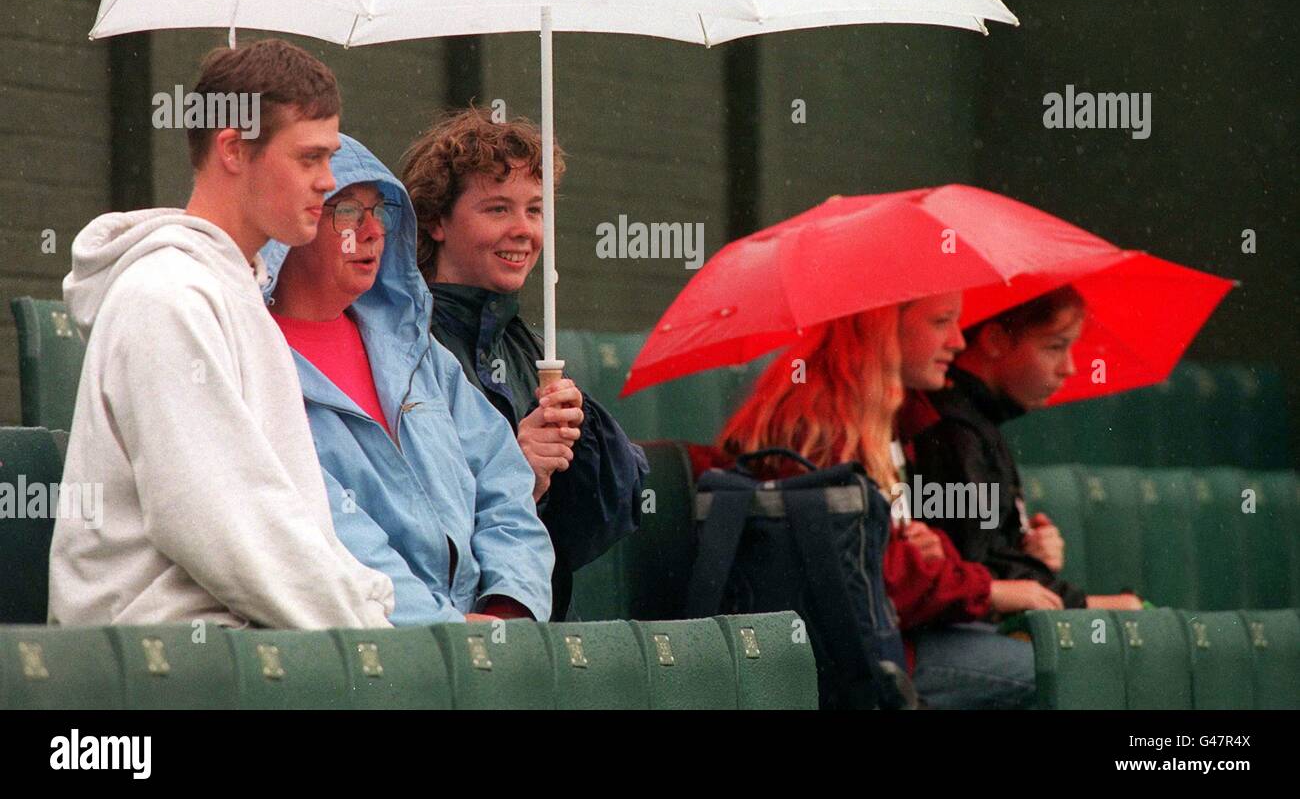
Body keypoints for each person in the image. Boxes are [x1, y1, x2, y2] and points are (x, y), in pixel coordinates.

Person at [50, 38, 395, 628]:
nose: (327, 182)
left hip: (252, 646)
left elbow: (284, 522)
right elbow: (223, 522)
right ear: (233, 149)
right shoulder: (166, 297)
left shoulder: (236, 289)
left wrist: (366, 604)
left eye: (329, 158)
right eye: (309, 159)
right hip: (159, 668)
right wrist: (369, 640)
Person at [262, 134, 553, 624]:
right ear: (290, 223)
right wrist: (445, 632)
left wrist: (508, 607)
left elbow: (503, 484)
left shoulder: (418, 353)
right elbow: (325, 533)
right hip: (376, 661)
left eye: (382, 211)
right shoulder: (256, 364)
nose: (374, 230)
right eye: (349, 212)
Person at [716, 303, 1061, 710]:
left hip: (891, 638)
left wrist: (926, 547)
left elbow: (885, 555)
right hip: (852, 659)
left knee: (1059, 659)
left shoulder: (889, 416)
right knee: (1060, 673)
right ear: (882, 327)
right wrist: (988, 591)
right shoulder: (822, 422)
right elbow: (863, 579)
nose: (958, 340)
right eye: (940, 321)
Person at [401, 108, 648, 619]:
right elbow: (405, 518)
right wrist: (516, 472)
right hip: (450, 637)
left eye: (535, 210)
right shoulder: (402, 345)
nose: (523, 231)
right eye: (496, 209)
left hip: (538, 635)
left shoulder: (533, 349)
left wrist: (584, 446)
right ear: (435, 221)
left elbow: (589, 530)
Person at [903, 286, 1143, 610]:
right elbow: (973, 572)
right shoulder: (955, 430)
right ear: (995, 341)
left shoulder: (975, 424)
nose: (1068, 368)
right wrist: (1085, 603)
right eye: (1055, 347)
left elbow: (983, 557)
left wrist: (1024, 552)